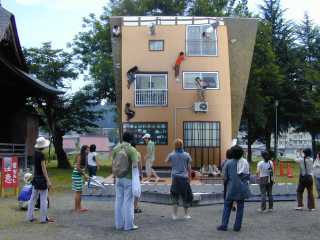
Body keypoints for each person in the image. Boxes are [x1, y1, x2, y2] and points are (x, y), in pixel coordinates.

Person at [217, 145, 250, 232]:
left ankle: (224, 225)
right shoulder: (245, 162)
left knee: (227, 206)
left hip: (231, 188)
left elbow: (225, 177)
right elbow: (247, 176)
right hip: (242, 188)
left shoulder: (228, 163)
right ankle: (237, 226)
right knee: (240, 208)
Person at [113, 132, 139, 231]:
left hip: (118, 178)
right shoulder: (132, 150)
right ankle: (128, 225)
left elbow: (114, 163)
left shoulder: (116, 148)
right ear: (131, 139)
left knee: (118, 201)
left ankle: (118, 224)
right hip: (128, 178)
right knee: (128, 202)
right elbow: (135, 165)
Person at [26, 137, 54, 223]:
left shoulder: (35, 154)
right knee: (43, 200)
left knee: (33, 199)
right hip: (42, 180)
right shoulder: (42, 155)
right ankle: (43, 218)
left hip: (36, 178)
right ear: (44, 146)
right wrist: (48, 180)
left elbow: (36, 168)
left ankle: (30, 217)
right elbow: (44, 169)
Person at [165, 138, 193, 220]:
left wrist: (172, 162)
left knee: (174, 196)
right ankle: (186, 214)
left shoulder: (172, 155)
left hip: (175, 178)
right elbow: (189, 167)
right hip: (184, 178)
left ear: (175, 146)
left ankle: (174, 215)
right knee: (185, 196)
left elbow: (166, 161)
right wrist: (190, 177)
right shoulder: (187, 155)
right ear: (182, 145)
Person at [72, 145, 89, 212]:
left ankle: (79, 207)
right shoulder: (80, 156)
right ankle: (77, 208)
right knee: (78, 192)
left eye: (88, 150)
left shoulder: (85, 156)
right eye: (87, 150)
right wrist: (84, 175)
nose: (88, 151)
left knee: (80, 192)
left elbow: (83, 168)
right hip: (76, 175)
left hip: (79, 175)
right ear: (83, 150)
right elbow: (78, 167)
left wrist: (85, 175)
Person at [132, 143, 143, 214]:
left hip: (128, 173)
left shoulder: (125, 153)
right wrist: (141, 174)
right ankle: (135, 207)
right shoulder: (137, 153)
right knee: (137, 190)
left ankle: (132, 206)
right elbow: (140, 165)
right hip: (135, 173)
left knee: (130, 190)